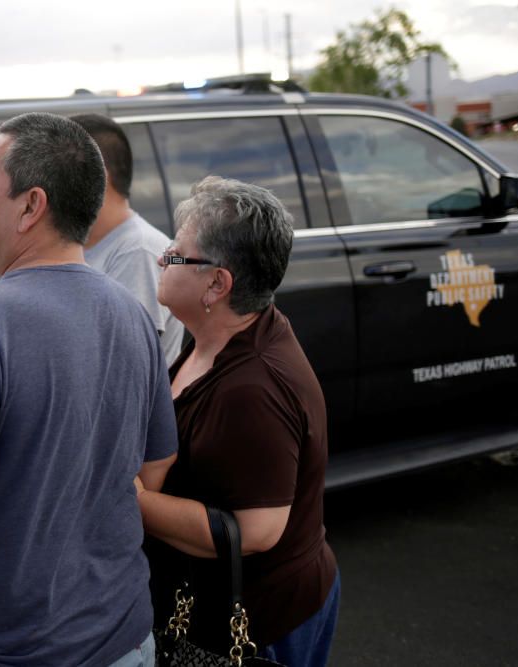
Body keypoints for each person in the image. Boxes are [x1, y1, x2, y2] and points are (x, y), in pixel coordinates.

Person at [0, 112, 178, 667]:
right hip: (124, 636)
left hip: (6, 648)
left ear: (31, 205)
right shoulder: (132, 312)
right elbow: (154, 466)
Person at [139, 176, 340, 667]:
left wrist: (132, 500)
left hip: (260, 627)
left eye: (177, 253)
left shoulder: (255, 389)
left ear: (217, 284)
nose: (162, 258)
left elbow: (257, 532)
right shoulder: (217, 335)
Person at [71, 113, 184, 364]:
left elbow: (122, 366)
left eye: (58, 171)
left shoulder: (138, 251)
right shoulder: (86, 244)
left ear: (97, 177)